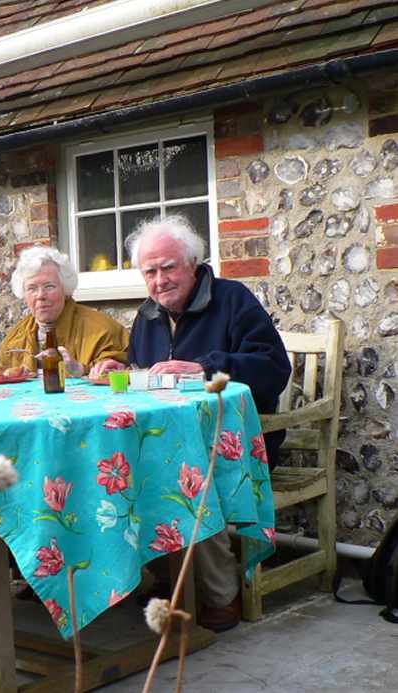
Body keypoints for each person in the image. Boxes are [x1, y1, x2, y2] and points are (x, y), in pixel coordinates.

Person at [126, 215, 291, 632]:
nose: (159, 280)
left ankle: (221, 593)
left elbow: (273, 368)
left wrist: (204, 367)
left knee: (188, 476)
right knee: (122, 469)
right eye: (150, 271)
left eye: (168, 267)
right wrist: (122, 371)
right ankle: (162, 578)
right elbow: (145, 376)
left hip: (240, 441)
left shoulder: (232, 300)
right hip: (169, 439)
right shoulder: (147, 316)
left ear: (193, 263)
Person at [0, 246, 129, 377]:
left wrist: (82, 370)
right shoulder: (14, 340)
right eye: (32, 288)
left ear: (65, 289)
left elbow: (118, 371)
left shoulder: (102, 331)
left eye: (49, 286)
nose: (40, 295)